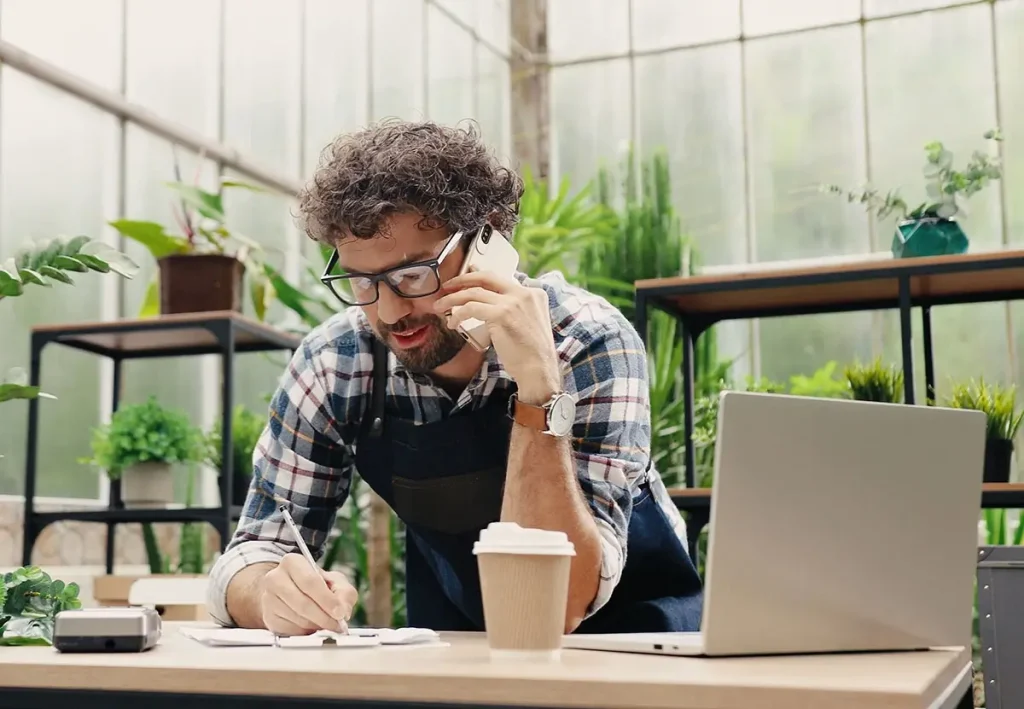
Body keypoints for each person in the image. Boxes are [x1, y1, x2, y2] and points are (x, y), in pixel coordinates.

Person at [206, 119, 704, 636]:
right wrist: (271, 595)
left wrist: (539, 392)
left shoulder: (587, 341)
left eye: (414, 274)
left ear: (486, 240)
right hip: (461, 644)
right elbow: (255, 551)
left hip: (635, 647)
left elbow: (555, 608)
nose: (392, 310)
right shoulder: (337, 362)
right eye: (362, 281)